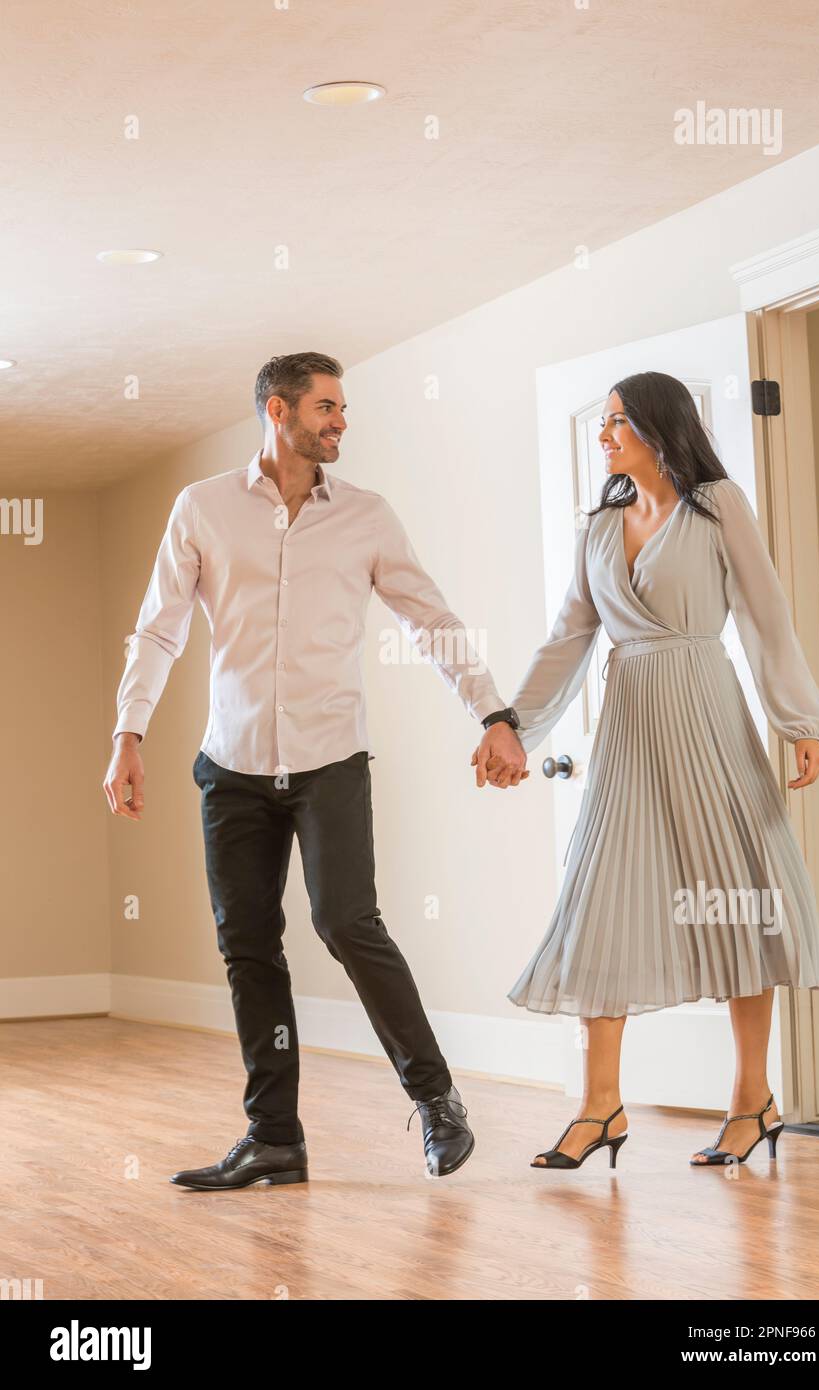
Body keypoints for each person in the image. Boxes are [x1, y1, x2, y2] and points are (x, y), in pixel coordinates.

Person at [103, 350, 526, 1188]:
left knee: (345, 921)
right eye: (326, 407)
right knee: (249, 946)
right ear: (278, 411)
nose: (340, 422)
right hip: (234, 768)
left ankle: (436, 1100)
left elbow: (429, 619)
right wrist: (129, 734)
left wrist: (495, 714)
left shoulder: (365, 517)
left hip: (331, 758)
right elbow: (159, 630)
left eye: (341, 408)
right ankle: (274, 1137)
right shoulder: (204, 509)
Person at [472, 370, 819, 1172]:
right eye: (601, 422)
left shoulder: (717, 507)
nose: (604, 436)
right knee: (599, 899)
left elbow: (766, 615)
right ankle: (600, 1107)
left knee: (741, 899)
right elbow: (568, 637)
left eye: (619, 422)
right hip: (629, 726)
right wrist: (514, 729)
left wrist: (799, 723)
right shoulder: (599, 526)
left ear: (661, 427)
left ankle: (752, 1101)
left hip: (708, 715)